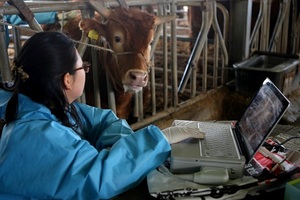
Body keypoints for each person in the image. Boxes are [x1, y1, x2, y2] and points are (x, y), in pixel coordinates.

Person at [0, 31, 204, 199]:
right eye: (84, 67)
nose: (86, 71)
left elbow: (102, 120)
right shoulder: (38, 135)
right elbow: (100, 176)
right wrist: (158, 140)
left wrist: (122, 147)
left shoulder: (41, 103)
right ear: (67, 80)